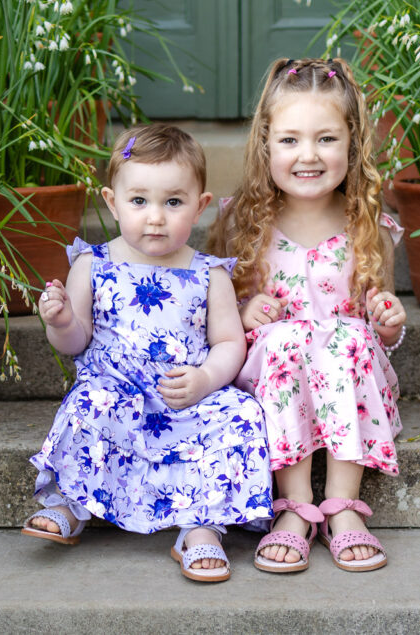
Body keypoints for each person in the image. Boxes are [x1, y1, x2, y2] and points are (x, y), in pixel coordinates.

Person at [25, 122, 272, 583]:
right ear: (111, 201)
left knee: (240, 413)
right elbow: (75, 342)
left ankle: (201, 527)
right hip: (115, 392)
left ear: (199, 207)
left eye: (173, 202)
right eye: (139, 201)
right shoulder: (92, 263)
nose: (155, 216)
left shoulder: (209, 273)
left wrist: (206, 379)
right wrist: (60, 322)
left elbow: (230, 342)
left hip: (186, 395)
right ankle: (74, 500)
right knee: (89, 403)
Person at [208, 57, 406, 573]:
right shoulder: (243, 222)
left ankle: (343, 504)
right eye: (291, 140)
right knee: (288, 338)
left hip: (348, 375)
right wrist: (247, 310)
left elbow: (376, 320)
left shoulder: (367, 224)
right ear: (266, 145)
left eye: (326, 139)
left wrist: (386, 319)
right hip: (275, 375)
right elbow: (220, 308)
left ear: (352, 143)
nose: (308, 156)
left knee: (347, 334)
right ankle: (294, 506)